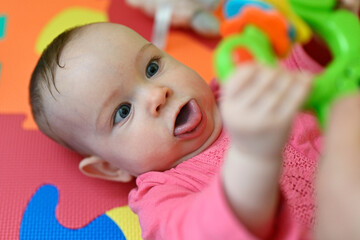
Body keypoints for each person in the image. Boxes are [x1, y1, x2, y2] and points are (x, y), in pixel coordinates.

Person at [29, 2, 358, 239]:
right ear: (110, 167)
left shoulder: (241, 84)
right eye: (122, 112)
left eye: (152, 68)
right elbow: (207, 231)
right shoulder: (164, 197)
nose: (157, 95)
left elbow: (315, 65)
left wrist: (327, 24)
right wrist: (252, 155)